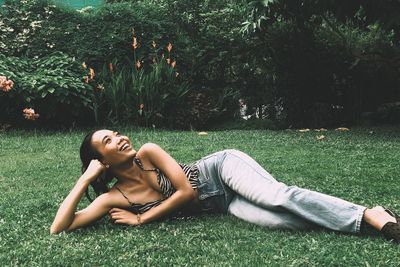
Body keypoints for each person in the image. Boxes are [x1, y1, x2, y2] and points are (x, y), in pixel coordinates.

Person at [50, 129, 400, 244]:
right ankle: (363, 224)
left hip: (221, 170)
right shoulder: (114, 197)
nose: (120, 138)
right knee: (285, 221)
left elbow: (188, 192)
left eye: (116, 133)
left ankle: (368, 214)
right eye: (108, 141)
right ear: (103, 162)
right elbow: (59, 228)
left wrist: (143, 220)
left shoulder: (148, 153)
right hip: (223, 204)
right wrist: (84, 180)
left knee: (278, 196)